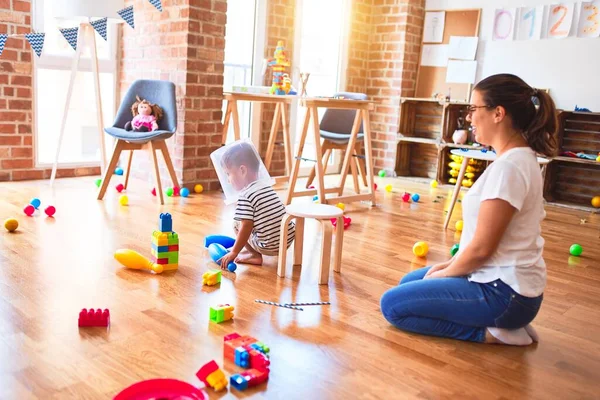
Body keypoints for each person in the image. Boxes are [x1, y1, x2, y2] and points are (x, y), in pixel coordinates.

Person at [380, 73, 558, 346]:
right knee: (408, 283)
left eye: (474, 109)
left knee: (392, 306)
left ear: (498, 113)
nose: (469, 118)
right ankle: (505, 322)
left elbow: (482, 249)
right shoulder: (516, 158)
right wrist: (449, 264)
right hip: (504, 286)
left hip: (504, 294)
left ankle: (494, 332)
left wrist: (447, 273)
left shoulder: (509, 168)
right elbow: (480, 244)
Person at [217, 141, 295, 267]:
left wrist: (234, 252)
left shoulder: (245, 196)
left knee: (237, 225)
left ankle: (254, 255)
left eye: (228, 174)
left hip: (269, 246)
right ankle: (249, 250)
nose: (228, 180)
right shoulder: (265, 186)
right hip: (287, 239)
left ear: (242, 171)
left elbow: (246, 227)